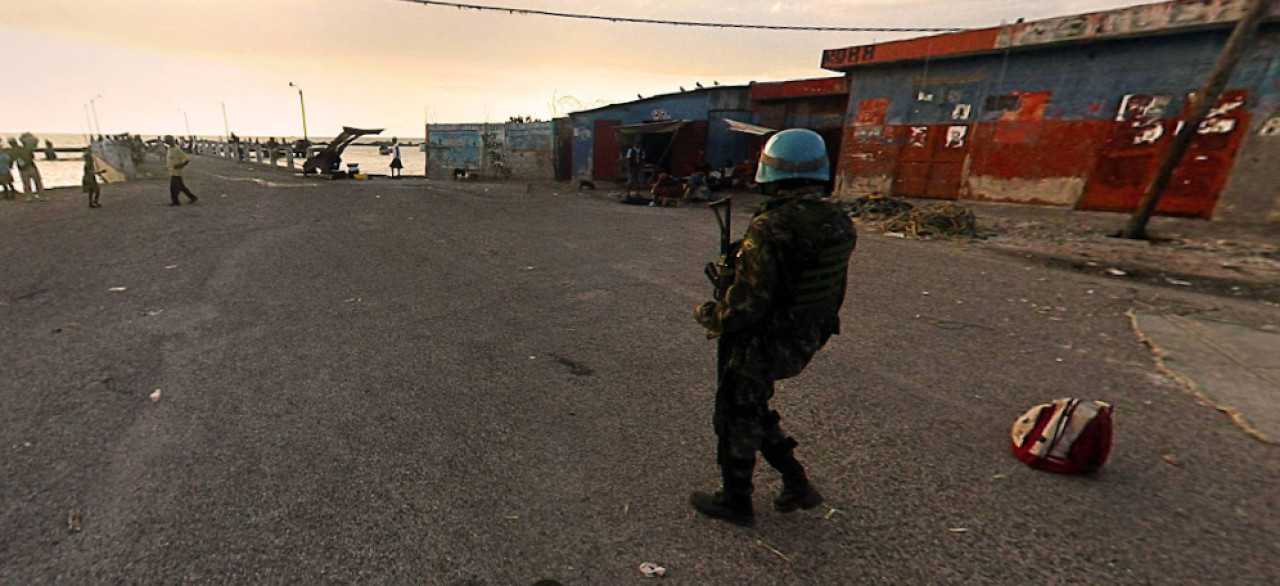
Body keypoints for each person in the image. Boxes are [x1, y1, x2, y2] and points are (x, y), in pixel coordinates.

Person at [690, 129, 857, 526]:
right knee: (753, 404)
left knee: (734, 412)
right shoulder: (839, 221)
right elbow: (834, 289)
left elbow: (746, 307)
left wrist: (709, 313)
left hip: (764, 342)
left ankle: (736, 501)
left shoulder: (772, 227)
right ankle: (797, 484)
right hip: (804, 338)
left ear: (771, 172)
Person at [165, 135, 197, 206]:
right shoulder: (169, 149)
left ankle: (175, 201)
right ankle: (192, 197)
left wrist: (181, 165)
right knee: (181, 187)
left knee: (173, 187)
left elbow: (187, 159)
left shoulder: (177, 150)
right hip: (172, 171)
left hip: (177, 172)